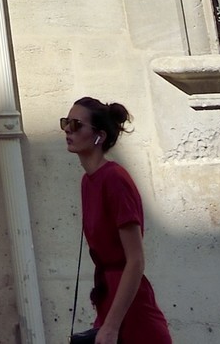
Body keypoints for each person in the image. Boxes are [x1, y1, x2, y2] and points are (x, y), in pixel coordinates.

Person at [62, 98, 173, 344]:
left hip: (133, 312)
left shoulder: (114, 179)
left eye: (76, 124)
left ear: (98, 136)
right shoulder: (88, 181)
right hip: (109, 301)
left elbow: (136, 260)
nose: (68, 129)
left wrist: (111, 326)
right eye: (66, 122)